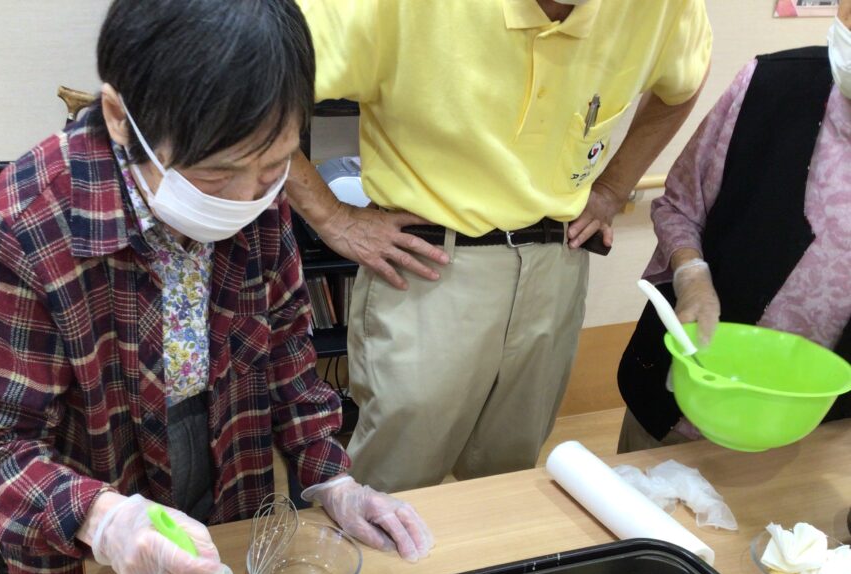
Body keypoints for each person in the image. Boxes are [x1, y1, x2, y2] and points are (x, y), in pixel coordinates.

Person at [0, 1, 432, 574]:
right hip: (80, 499)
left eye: (272, 167)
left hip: (225, 455)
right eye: (216, 174)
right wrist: (107, 521)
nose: (246, 199)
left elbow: (290, 354)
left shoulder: (259, 197)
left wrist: (332, 478)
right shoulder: (23, 224)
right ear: (117, 116)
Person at [287, 0, 712, 493]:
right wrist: (331, 217)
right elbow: (252, 86)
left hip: (557, 261)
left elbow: (683, 83)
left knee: (509, 475)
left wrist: (613, 188)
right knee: (393, 481)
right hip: (431, 263)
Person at [617, 0, 851, 453]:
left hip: (814, 435)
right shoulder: (771, 85)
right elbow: (678, 205)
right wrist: (691, 277)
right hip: (679, 408)